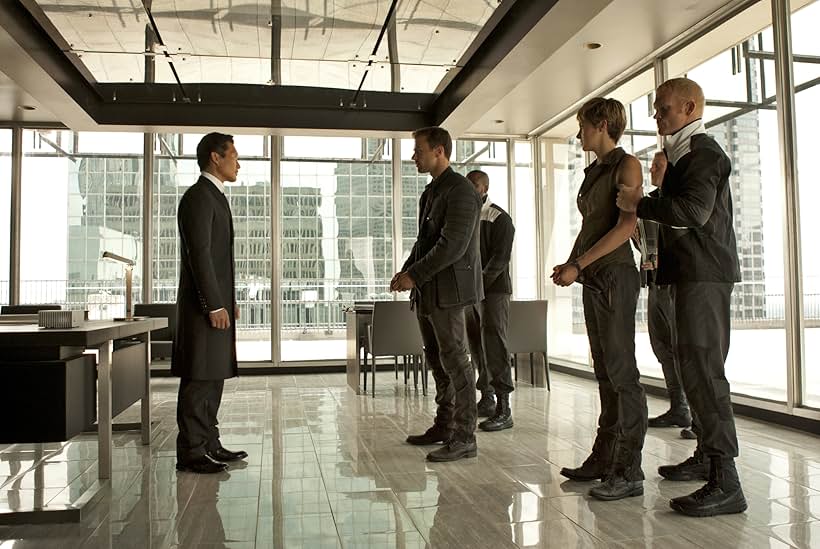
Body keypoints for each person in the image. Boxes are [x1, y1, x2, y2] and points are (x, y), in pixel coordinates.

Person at [617, 77, 746, 517]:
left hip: (704, 276)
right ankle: (708, 458)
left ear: (690, 108)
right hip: (689, 274)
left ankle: (726, 481)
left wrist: (640, 202)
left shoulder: (703, 152)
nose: (656, 116)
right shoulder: (681, 153)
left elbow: (693, 212)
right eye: (655, 109)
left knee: (705, 372)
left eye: (663, 109)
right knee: (692, 368)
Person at [554, 97, 647, 501]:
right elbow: (593, 226)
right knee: (605, 371)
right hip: (596, 278)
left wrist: (581, 263)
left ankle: (628, 469)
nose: (579, 133)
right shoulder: (596, 170)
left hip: (615, 277)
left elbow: (626, 227)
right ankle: (605, 457)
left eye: (583, 126)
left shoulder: (626, 165)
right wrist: (572, 263)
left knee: (622, 373)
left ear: (604, 123)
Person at [393, 126, 483, 462]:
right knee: (437, 359)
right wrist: (407, 270)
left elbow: (452, 247)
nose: (414, 156)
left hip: (449, 293)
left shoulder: (460, 191)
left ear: (439, 151)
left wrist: (413, 276)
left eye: (418, 150)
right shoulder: (432, 192)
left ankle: (465, 436)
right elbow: (425, 241)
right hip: (430, 291)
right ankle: (445, 425)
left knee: (456, 361)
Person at [172, 132, 247, 474]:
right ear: (215, 158)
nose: (238, 162)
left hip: (215, 307)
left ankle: (209, 443)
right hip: (201, 310)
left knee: (212, 375)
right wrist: (213, 304)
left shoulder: (214, 196)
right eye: (233, 155)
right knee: (199, 377)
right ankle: (191, 450)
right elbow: (199, 255)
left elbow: (218, 260)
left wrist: (227, 302)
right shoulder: (198, 197)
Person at [464, 170, 516, 431]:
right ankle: (486, 398)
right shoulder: (467, 218)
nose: (470, 190)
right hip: (472, 293)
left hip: (494, 291)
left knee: (494, 342)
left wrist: (479, 284)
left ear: (484, 188)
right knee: (476, 344)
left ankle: (505, 408)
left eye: (474, 186)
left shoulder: (499, 217)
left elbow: (500, 259)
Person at [637, 215, 695, 439]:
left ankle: (697, 418)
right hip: (654, 281)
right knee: (662, 348)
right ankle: (679, 408)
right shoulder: (649, 204)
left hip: (675, 282)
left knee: (684, 351)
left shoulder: (678, 201)